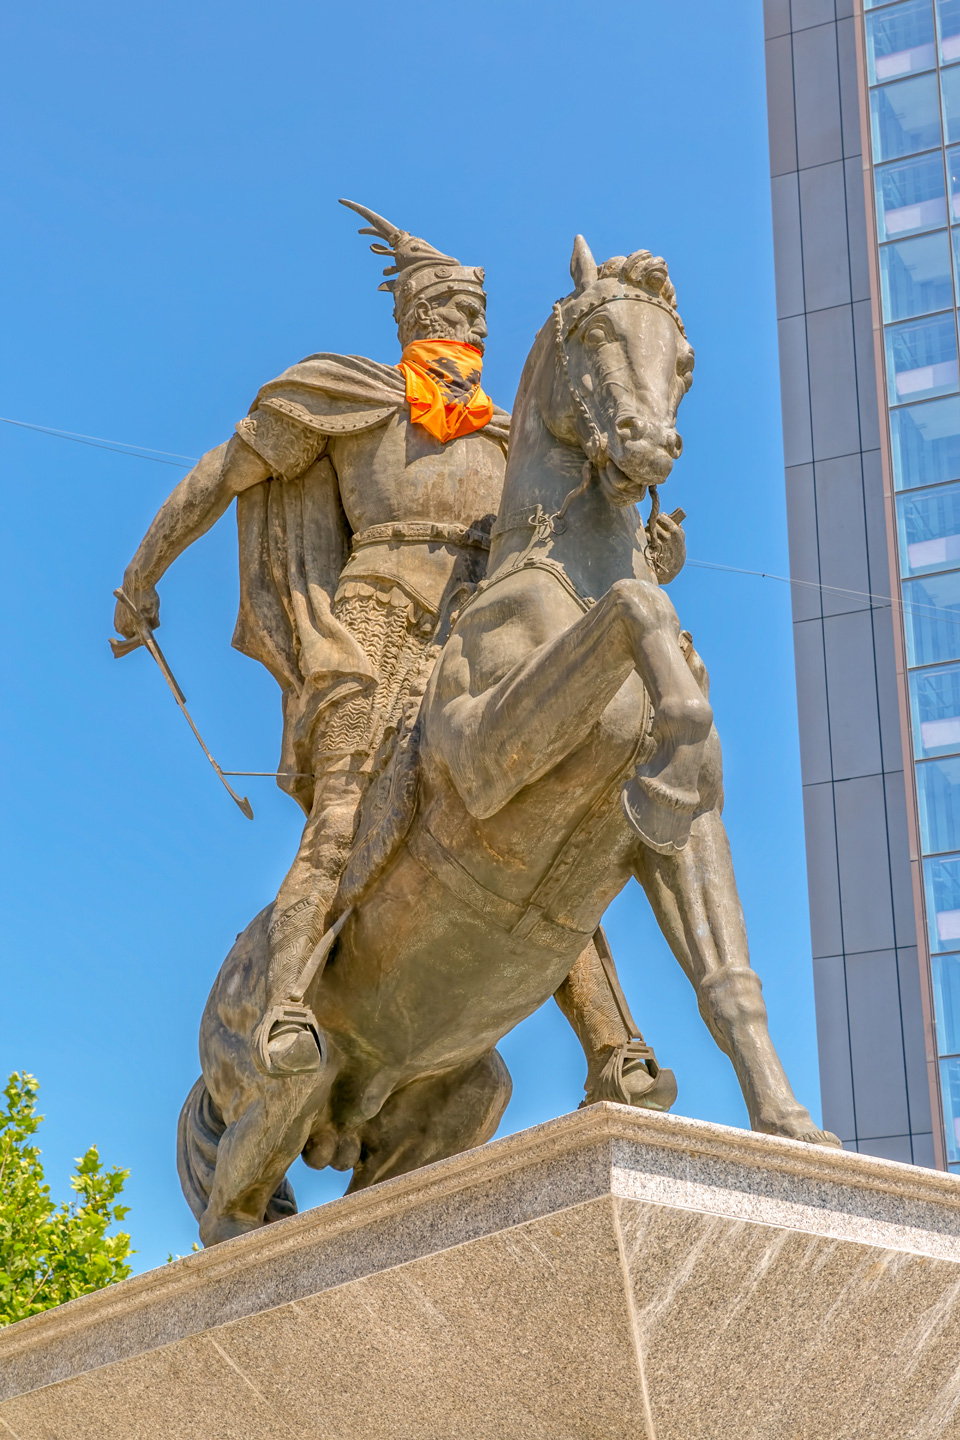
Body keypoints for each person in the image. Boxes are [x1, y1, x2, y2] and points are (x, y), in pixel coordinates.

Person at [114, 200, 681, 1102]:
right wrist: (144, 573)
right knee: (342, 814)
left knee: (551, 803)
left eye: (476, 315)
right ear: (409, 315)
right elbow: (227, 472)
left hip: (486, 638)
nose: (464, 325)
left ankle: (613, 1041)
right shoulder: (353, 398)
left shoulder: (511, 434)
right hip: (371, 631)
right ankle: (290, 1001)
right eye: (446, 310)